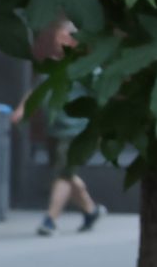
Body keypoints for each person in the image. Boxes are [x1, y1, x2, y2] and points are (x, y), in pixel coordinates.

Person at [22, 18, 101, 236]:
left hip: (77, 131)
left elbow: (102, 95)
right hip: (55, 129)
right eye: (58, 37)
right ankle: (90, 210)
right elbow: (36, 90)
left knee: (63, 175)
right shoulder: (53, 67)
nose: (60, 41)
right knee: (66, 173)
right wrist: (22, 110)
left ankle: (50, 219)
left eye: (65, 37)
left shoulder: (87, 68)